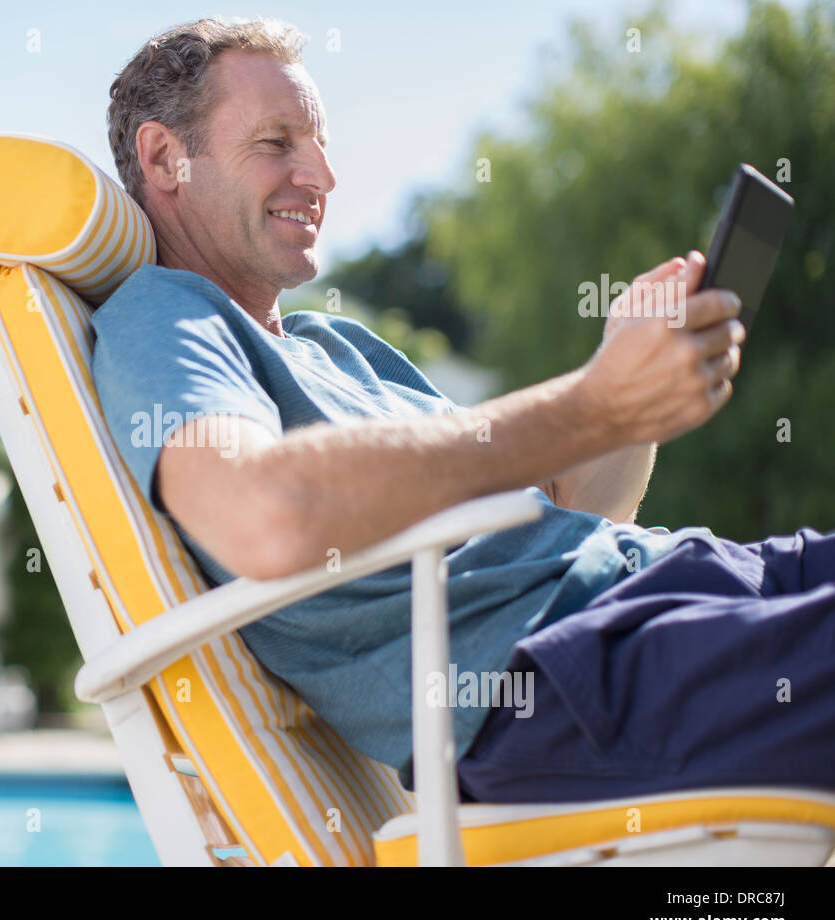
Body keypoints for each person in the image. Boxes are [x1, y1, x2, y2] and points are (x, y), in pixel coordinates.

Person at [91, 16, 834, 802]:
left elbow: (575, 505)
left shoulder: (335, 346)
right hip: (562, 677)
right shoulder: (164, 319)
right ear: (165, 158)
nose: (323, 176)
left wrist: (628, 381)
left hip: (675, 583)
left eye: (319, 144)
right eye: (277, 143)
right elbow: (262, 511)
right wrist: (594, 403)